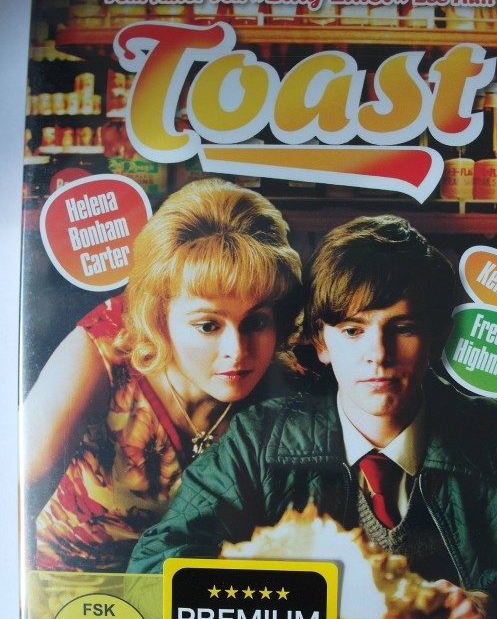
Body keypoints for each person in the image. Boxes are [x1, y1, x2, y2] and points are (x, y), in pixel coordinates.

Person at [128, 215, 497, 619]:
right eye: (352, 331)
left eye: (402, 327)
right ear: (320, 342)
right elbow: (154, 569)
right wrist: (282, 604)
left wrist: (493, 601)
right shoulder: (259, 440)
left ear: (438, 336)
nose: (378, 355)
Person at [24, 178, 303, 572]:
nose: (237, 351)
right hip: (72, 588)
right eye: (208, 325)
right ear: (159, 316)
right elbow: (13, 487)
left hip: (199, 596)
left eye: (256, 322)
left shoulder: (288, 384)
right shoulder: (100, 352)